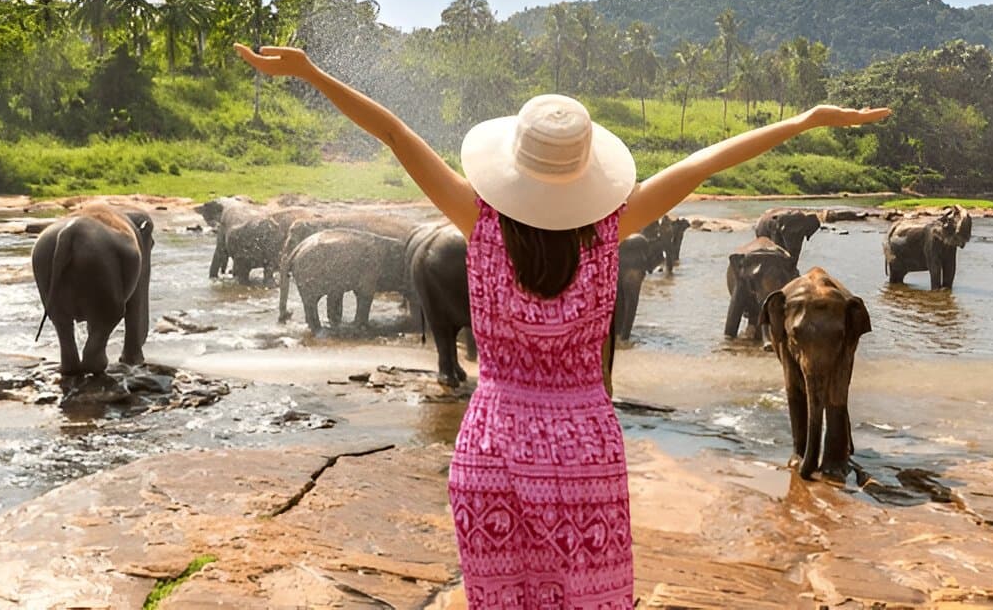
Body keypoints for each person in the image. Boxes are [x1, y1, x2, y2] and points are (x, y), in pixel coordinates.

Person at [234, 42, 889, 608]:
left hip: (492, 444)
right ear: (586, 172)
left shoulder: (479, 225)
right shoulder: (610, 235)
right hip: (584, 451)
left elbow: (397, 135)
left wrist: (313, 74)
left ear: (513, 165)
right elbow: (704, 163)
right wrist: (805, 119)